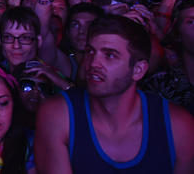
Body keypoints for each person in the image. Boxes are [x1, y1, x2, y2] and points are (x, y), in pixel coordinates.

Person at [35, 15, 194, 174]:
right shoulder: (57, 115)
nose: (93, 63)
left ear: (138, 70)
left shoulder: (178, 126)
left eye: (110, 55)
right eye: (90, 52)